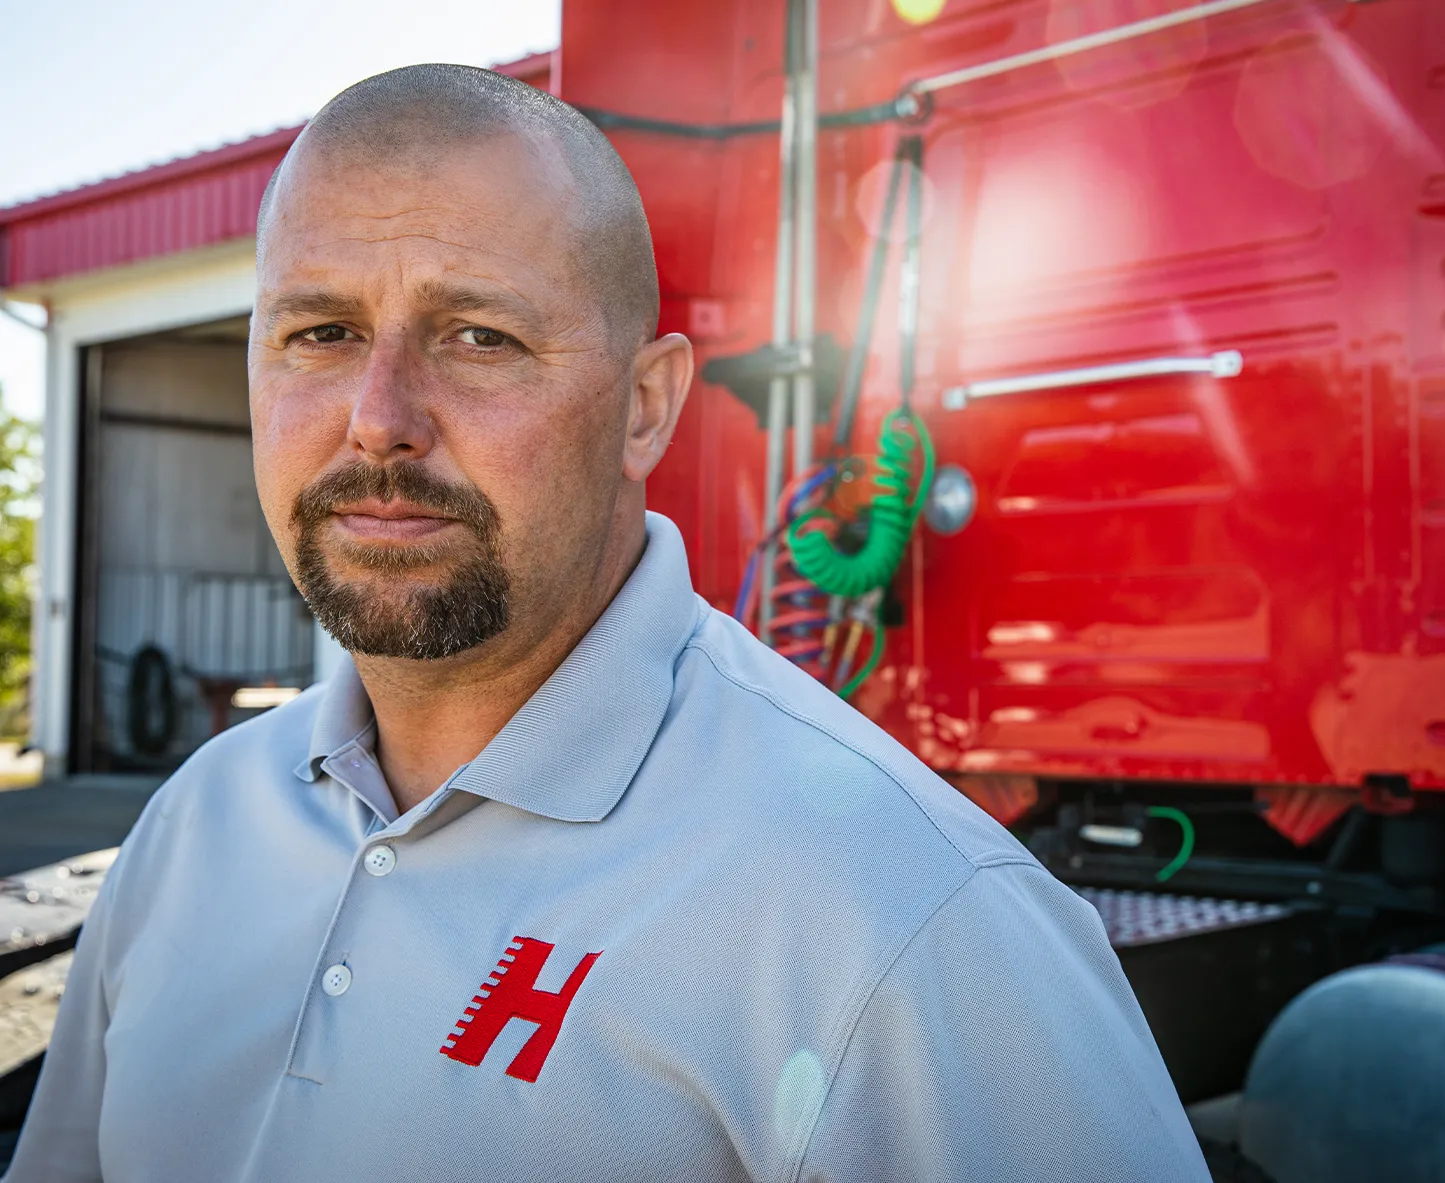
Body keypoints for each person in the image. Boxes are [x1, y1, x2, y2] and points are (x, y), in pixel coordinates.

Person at [4, 64, 1207, 1183]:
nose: (377, 420)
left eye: (480, 336)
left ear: (645, 407)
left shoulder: (905, 924)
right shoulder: (194, 830)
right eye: (320, 333)